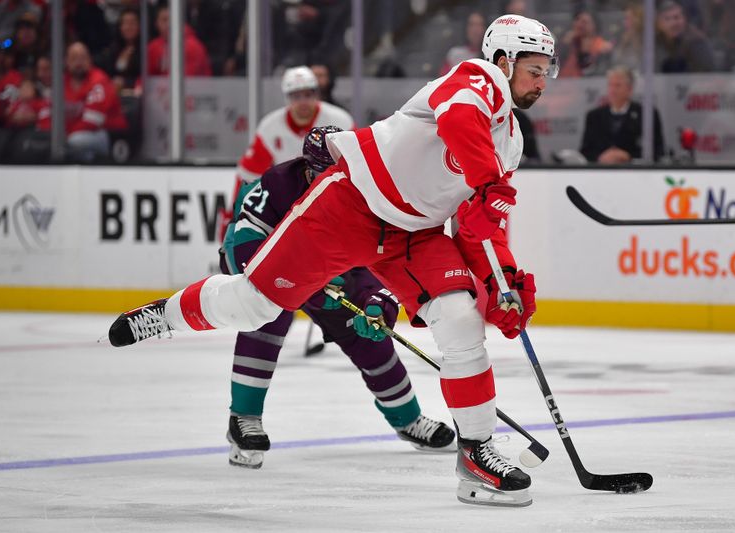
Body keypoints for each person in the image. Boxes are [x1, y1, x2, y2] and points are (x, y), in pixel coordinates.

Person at [108, 14, 557, 508]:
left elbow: (475, 227)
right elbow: (459, 121)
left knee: (461, 320)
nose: (543, 81)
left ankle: (476, 454)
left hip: (416, 234)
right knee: (255, 306)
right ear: (503, 60)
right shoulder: (474, 79)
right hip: (353, 204)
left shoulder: (510, 142)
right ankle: (167, 315)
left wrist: (503, 283)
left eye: (547, 71)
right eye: (535, 69)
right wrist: (489, 182)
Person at [221, 126, 456, 468]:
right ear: (306, 167)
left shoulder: (370, 187)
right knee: (264, 316)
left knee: (369, 334)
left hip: (332, 275)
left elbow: (387, 255)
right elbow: (244, 241)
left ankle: (407, 420)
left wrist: (378, 298)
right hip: (271, 267)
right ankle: (243, 417)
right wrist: (282, 280)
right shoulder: (277, 183)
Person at [232, 65, 354, 186]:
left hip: (330, 192)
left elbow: (357, 163)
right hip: (288, 196)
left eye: (308, 95)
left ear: (316, 94)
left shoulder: (341, 121)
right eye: (296, 96)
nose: (303, 102)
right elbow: (248, 175)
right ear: (287, 98)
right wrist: (237, 205)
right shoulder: (269, 128)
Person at [37, 42, 128, 162]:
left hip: (104, 134)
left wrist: (63, 136)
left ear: (90, 60)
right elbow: (44, 115)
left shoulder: (99, 81)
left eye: (83, 58)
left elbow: (92, 121)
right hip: (68, 134)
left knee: (75, 142)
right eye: (74, 58)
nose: (78, 62)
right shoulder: (61, 82)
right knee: (42, 140)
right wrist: (51, 134)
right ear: (66, 62)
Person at [579, 66, 664, 164]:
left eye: (618, 85)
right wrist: (601, 157)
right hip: (601, 174)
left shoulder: (647, 115)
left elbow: (657, 151)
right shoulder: (594, 116)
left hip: (636, 174)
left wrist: (628, 156)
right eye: (610, 85)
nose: (612, 90)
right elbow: (585, 152)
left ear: (630, 89)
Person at [147, 4, 212, 77]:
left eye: (173, 19)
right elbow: (145, 78)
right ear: (156, 23)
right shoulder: (153, 47)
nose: (169, 24)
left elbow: (186, 80)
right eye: (164, 20)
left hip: (195, 87)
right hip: (162, 87)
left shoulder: (193, 46)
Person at [655, 0, 716, 73]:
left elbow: (706, 75)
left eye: (676, 17)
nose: (673, 23)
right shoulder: (657, 42)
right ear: (659, 24)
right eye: (667, 19)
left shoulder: (696, 42)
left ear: (684, 19)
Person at [98, 8, 142, 95]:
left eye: (132, 23)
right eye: (125, 23)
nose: (129, 27)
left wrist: (126, 82)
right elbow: (107, 74)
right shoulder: (113, 49)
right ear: (120, 27)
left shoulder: (146, 49)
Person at [558, 10, 612, 77]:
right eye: (577, 20)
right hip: (565, 84)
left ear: (594, 26)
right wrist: (564, 45)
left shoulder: (602, 46)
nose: (579, 24)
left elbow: (597, 73)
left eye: (584, 22)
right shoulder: (569, 43)